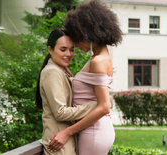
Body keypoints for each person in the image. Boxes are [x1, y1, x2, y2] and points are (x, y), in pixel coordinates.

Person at [47, 0, 123, 154]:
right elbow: (90, 92)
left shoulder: (98, 61)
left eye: (77, 38)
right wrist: (74, 78)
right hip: (96, 129)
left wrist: (67, 132)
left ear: (88, 33)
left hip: (94, 131)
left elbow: (104, 107)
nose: (75, 44)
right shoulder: (100, 57)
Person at [36, 28, 98, 155]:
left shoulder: (60, 70)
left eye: (71, 49)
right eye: (63, 49)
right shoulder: (52, 72)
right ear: (50, 49)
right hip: (58, 145)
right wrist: (95, 106)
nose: (68, 54)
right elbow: (60, 112)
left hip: (64, 143)